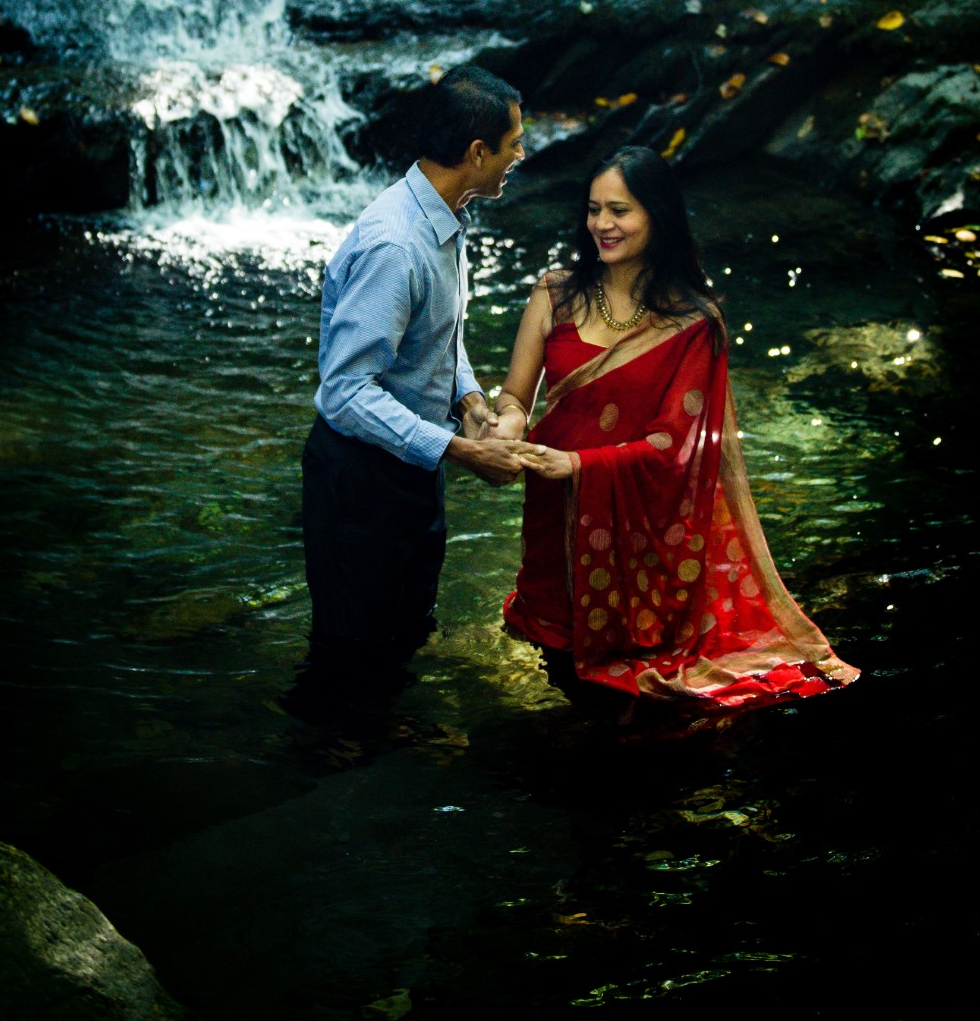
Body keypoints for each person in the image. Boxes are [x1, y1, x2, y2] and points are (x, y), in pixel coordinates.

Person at [495, 145, 859, 713]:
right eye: (594, 210)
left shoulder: (692, 323)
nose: (602, 225)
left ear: (657, 216)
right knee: (559, 669)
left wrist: (580, 465)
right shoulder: (555, 292)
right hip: (552, 510)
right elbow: (518, 395)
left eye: (620, 210)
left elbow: (677, 449)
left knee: (630, 708)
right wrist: (507, 422)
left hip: (638, 529)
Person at [302, 63, 528, 656]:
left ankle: (389, 735)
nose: (521, 154)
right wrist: (459, 450)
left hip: (410, 464)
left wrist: (470, 401)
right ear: (478, 152)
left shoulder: (443, 218)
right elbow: (347, 392)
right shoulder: (395, 242)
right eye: (514, 144)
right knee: (350, 645)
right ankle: (334, 746)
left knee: (405, 626)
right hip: (361, 477)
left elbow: (437, 340)